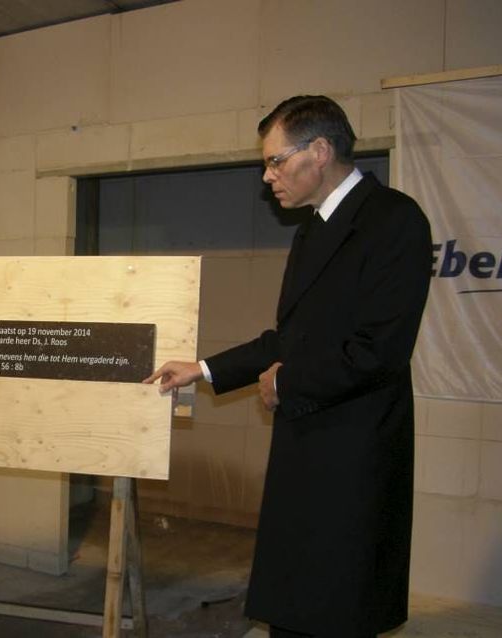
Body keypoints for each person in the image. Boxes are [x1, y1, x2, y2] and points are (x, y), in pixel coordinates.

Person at [145, 96, 431, 637]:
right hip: (306, 438)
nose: (266, 175)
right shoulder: (311, 229)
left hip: (354, 449)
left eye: (276, 160)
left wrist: (287, 380)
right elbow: (288, 339)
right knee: (295, 605)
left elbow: (381, 351)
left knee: (338, 605)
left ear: (319, 151)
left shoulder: (394, 220)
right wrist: (203, 370)